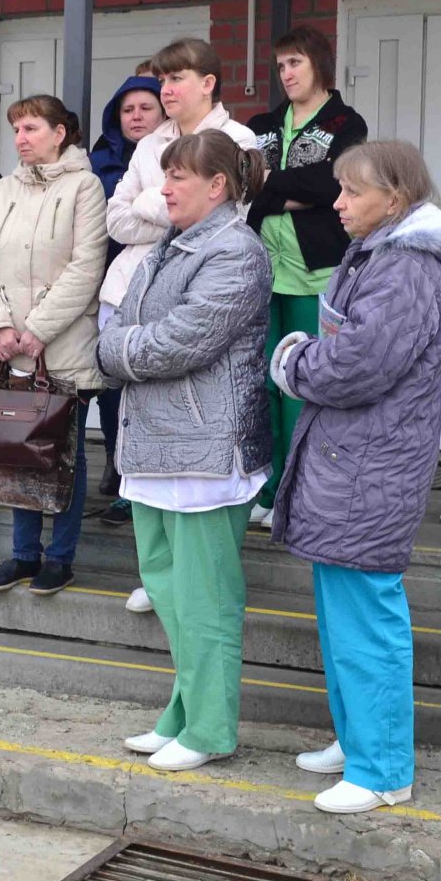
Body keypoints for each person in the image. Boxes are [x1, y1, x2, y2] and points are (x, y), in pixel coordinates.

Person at [269, 141, 441, 814]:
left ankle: (383, 767)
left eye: (351, 191)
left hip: (371, 465)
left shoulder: (407, 269)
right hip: (353, 460)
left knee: (366, 620)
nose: (337, 203)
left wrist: (294, 363)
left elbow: (357, 364)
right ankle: (356, 738)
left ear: (394, 198)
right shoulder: (381, 254)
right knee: (342, 617)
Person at [97, 130, 272, 773]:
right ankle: (183, 710)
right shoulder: (169, 246)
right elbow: (117, 323)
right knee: (170, 593)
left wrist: (117, 350)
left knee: (205, 600)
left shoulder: (236, 251)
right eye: (162, 176)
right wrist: (119, 345)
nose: (161, 190)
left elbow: (179, 342)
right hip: (153, 445)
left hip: (205, 448)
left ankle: (211, 727)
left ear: (217, 186)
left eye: (176, 179)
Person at [100, 37, 258, 548]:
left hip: (192, 293)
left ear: (208, 83)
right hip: (132, 287)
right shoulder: (148, 143)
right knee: (129, 402)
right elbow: (115, 221)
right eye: (161, 80)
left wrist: (153, 205)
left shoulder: (239, 138)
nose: (165, 90)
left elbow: (228, 221)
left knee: (179, 393)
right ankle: (137, 499)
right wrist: (170, 211)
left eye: (175, 79)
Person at [0, 95, 108, 594]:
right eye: (16, 130)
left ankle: (60, 556)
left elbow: (86, 266)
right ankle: (23, 555)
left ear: (60, 133)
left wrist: (38, 329)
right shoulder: (4, 189)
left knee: (61, 450)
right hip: (6, 347)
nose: (20, 139)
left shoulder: (85, 187)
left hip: (61, 346)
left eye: (30, 128)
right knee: (13, 448)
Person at [244, 25, 369, 530]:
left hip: (314, 272)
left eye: (295, 63)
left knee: (303, 382)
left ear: (318, 64)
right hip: (260, 272)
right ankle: (270, 488)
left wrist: (276, 186)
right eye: (280, 66)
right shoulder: (263, 123)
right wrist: (285, 190)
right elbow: (247, 182)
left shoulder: (346, 121)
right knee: (265, 383)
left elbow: (331, 183)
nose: (287, 74)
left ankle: (301, 489)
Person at [87, 70, 166, 518]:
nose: (136, 117)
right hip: (109, 282)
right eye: (127, 109)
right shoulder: (100, 162)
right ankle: (118, 467)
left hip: (160, 283)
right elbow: (105, 222)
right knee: (113, 386)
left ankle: (141, 479)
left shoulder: (178, 155)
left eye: (145, 108)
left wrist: (142, 213)